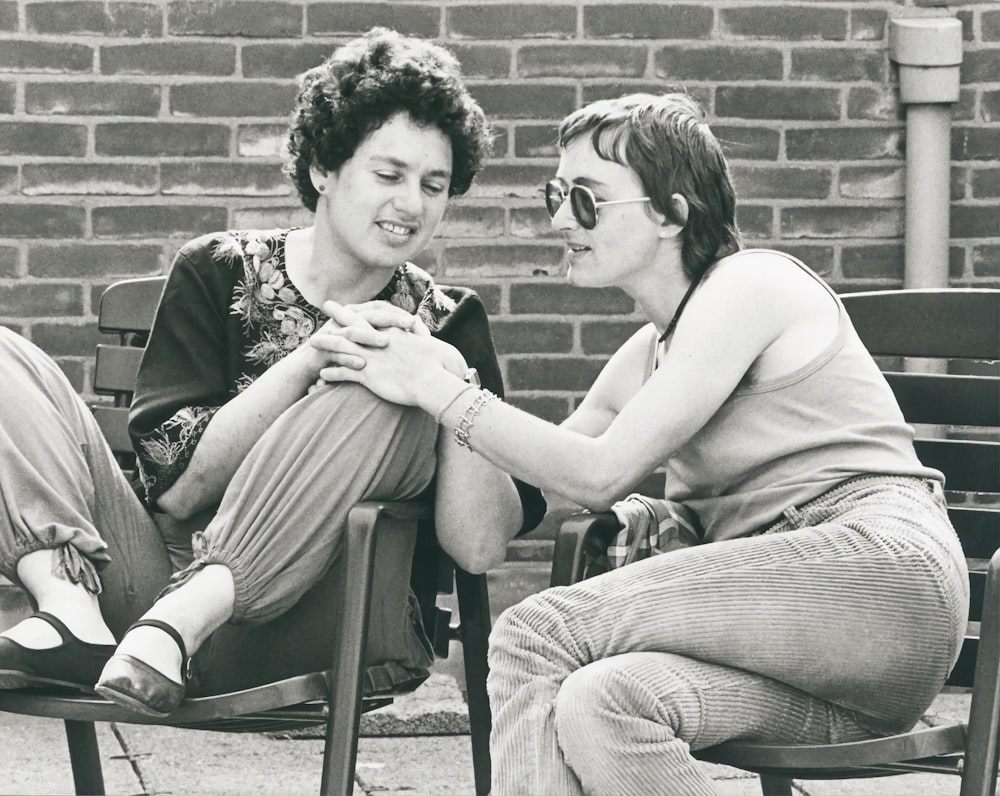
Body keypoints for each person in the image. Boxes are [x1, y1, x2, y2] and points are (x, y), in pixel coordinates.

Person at [314, 92, 970, 795]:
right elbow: (502, 520)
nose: (563, 219)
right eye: (557, 196)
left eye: (589, 200)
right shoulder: (643, 359)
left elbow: (599, 475)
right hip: (811, 661)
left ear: (671, 213)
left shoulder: (751, 286)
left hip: (875, 576)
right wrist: (448, 378)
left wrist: (445, 394)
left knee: (536, 632)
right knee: (604, 701)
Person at [0, 27, 544, 716]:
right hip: (138, 604)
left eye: (434, 184)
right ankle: (69, 613)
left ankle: (185, 620)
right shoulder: (219, 270)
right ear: (323, 167)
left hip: (318, 618)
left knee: (393, 374)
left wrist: (445, 381)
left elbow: (477, 546)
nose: (413, 203)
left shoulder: (444, 322)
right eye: (389, 174)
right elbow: (175, 488)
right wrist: (308, 361)